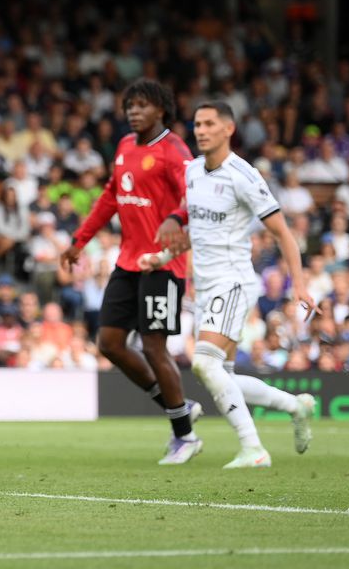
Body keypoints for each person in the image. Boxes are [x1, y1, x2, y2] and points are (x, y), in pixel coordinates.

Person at [143, 101, 317, 469]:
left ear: (228, 129)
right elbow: (198, 231)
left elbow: (283, 233)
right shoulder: (193, 171)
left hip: (234, 282)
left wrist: (299, 285)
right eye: (197, 124)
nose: (201, 130)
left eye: (209, 124)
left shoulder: (244, 175)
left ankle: (254, 449)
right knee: (224, 375)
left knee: (204, 363)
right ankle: (295, 406)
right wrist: (162, 257)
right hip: (206, 287)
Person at [60, 79, 202, 464]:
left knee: (153, 346)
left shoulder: (174, 150)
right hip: (128, 261)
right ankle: (179, 407)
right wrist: (79, 240)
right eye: (129, 106)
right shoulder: (124, 145)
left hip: (162, 262)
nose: (133, 112)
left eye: (142, 105)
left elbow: (195, 194)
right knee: (109, 342)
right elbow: (110, 196)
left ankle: (185, 436)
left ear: (161, 109)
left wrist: (176, 218)